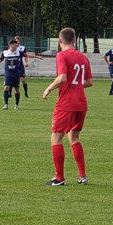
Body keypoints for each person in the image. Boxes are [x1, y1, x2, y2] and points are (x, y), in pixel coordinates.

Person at [41, 27, 92, 186]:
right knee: (74, 137)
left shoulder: (62, 55)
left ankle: (59, 178)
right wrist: (75, 85)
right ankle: (82, 176)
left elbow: (62, 77)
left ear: (60, 40)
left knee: (56, 138)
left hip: (66, 103)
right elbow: (89, 82)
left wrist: (49, 88)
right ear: (74, 40)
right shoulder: (83, 57)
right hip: (81, 103)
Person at [0, 39, 25, 110]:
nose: (17, 46)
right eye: (15, 44)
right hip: (8, 74)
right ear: (11, 45)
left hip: (16, 74)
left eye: (17, 45)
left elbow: (27, 55)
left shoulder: (18, 52)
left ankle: (16, 105)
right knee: (6, 88)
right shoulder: (5, 52)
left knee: (17, 90)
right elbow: (0, 59)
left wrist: (37, 57)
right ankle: (6, 105)